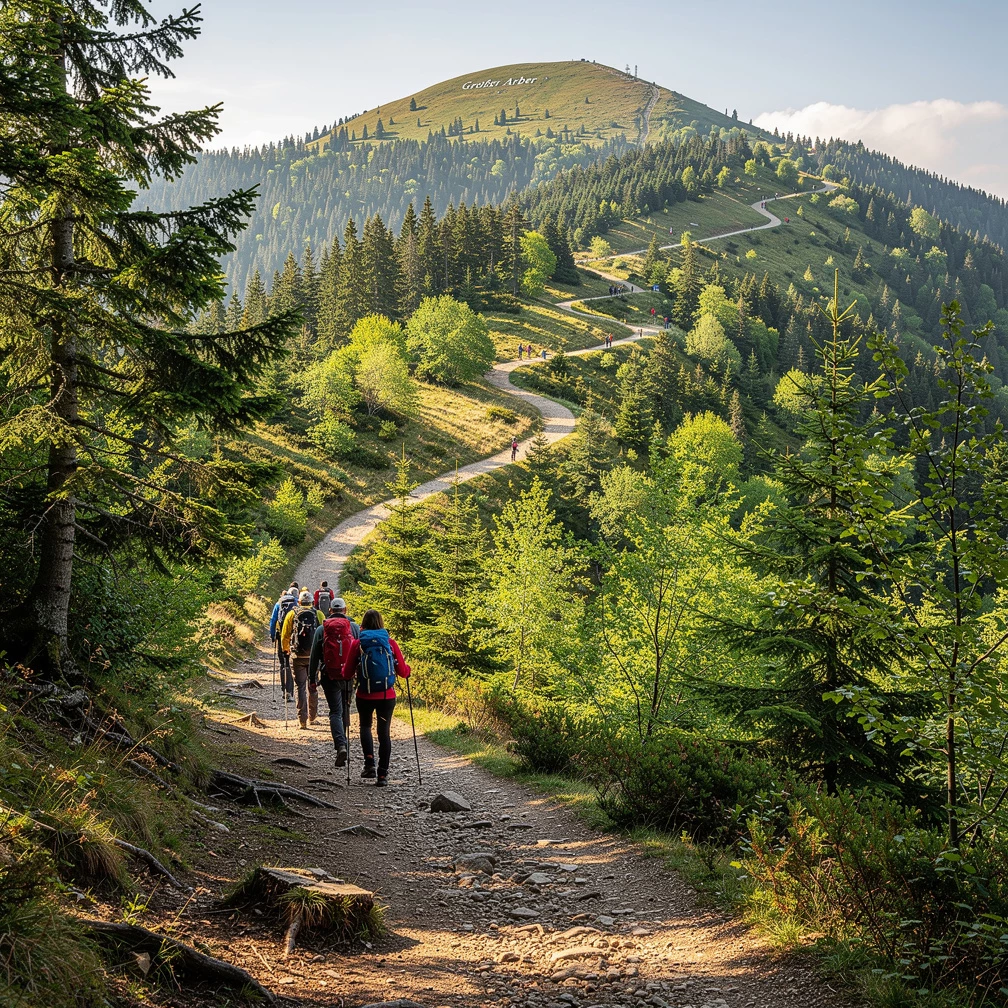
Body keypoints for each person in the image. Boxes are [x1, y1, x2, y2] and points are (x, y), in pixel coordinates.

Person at [343, 609, 410, 786]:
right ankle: (382, 775)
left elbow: (346, 673)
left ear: (363, 624)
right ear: (381, 623)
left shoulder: (358, 644)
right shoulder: (390, 643)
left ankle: (369, 764)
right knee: (384, 732)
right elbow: (403, 672)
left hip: (364, 695)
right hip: (387, 696)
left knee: (365, 726)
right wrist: (408, 669)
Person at [309, 597, 359, 767]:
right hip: (348, 675)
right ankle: (344, 741)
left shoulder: (322, 629)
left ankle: (341, 745)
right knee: (345, 708)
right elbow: (361, 652)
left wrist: (312, 679)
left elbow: (314, 656)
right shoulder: (354, 627)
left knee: (335, 711)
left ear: (330, 611)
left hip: (329, 676)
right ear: (345, 610)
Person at [281, 590, 324, 728]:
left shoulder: (292, 614)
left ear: (299, 602)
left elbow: (285, 635)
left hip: (297, 656)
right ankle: (313, 717)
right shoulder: (318, 614)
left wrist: (286, 650)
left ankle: (302, 720)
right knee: (313, 685)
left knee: (300, 687)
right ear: (312, 602)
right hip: (313, 657)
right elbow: (325, 634)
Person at [269, 587, 298, 700]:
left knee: (283, 664)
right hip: (294, 639)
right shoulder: (297, 604)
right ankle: (292, 691)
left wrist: (272, 635)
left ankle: (285, 690)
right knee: (293, 664)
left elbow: (273, 620)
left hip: (281, 637)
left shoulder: (279, 603)